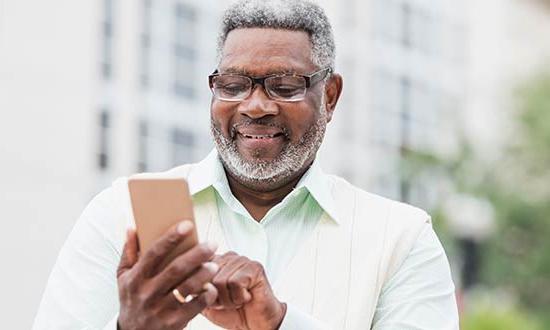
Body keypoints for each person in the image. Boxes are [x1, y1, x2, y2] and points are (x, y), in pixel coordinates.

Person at [33, 0, 459, 329]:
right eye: (233, 85)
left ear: (330, 95)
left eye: (285, 86)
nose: (255, 106)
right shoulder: (120, 213)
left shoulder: (402, 239)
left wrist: (279, 323)